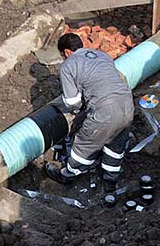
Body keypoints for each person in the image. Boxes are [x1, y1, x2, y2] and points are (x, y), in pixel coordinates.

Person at [45, 33, 134, 187]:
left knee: (85, 143)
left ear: (66, 52)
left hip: (104, 110)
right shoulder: (102, 55)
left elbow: (72, 101)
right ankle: (110, 177)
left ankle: (68, 174)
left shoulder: (68, 64)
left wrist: (79, 112)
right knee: (116, 142)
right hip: (127, 104)